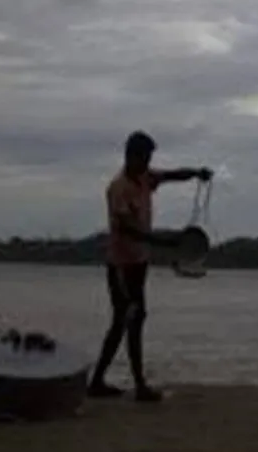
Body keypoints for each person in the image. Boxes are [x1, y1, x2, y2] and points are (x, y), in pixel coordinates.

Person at [87, 130, 212, 402]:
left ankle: (104, 381)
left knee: (130, 320)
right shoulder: (118, 188)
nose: (147, 163)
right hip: (121, 264)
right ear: (131, 156)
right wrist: (167, 242)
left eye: (149, 158)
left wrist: (196, 172)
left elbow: (170, 175)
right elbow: (128, 230)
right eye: (144, 158)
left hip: (139, 262)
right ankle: (133, 385)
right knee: (128, 319)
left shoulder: (145, 178)